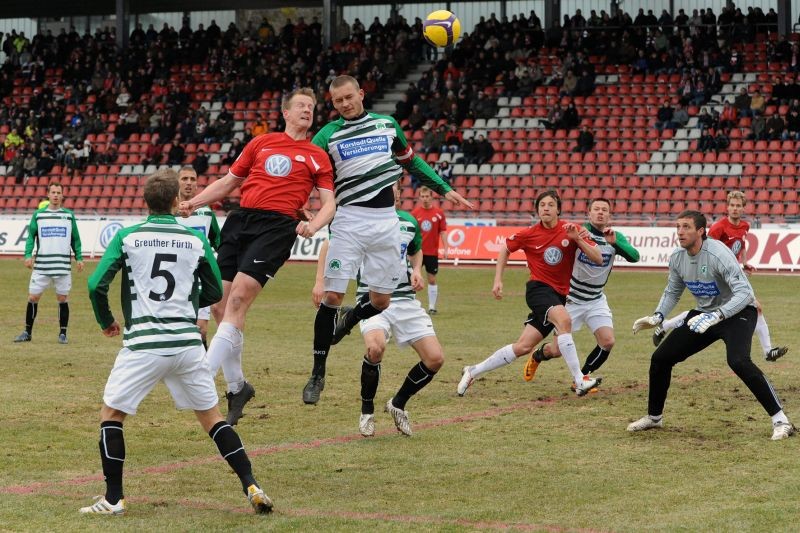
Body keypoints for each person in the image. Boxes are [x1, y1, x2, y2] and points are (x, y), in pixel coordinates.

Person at [82, 169, 272, 516]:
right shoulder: (195, 241)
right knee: (213, 419)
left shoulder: (127, 237)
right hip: (187, 343)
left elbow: (96, 284)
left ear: (145, 201)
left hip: (144, 343)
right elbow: (215, 290)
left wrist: (107, 321)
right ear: (175, 201)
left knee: (112, 414)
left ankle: (113, 499)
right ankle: (251, 484)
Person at [304, 75, 472, 405]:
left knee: (381, 301)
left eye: (349, 97)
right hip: (348, 221)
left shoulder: (387, 125)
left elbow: (412, 163)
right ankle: (317, 373)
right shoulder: (327, 135)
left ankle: (351, 318)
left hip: (385, 224)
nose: (345, 104)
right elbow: (308, 172)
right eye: (338, 101)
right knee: (332, 295)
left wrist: (444, 189)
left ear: (361, 94)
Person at [177, 87, 336, 425]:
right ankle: (238, 387)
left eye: (312, 107)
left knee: (237, 303)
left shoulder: (317, 155)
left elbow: (329, 202)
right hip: (241, 220)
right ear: (286, 113)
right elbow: (227, 182)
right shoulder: (260, 144)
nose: (308, 110)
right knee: (219, 303)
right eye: (301, 106)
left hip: (278, 227)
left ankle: (201, 377)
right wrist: (193, 202)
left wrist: (315, 225)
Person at [629, 210, 794, 441]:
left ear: (700, 231)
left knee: (738, 361)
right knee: (660, 359)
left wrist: (719, 314)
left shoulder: (718, 254)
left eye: (686, 227)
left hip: (738, 312)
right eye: (678, 227)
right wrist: (658, 316)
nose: (680, 232)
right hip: (705, 314)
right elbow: (673, 291)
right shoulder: (678, 257)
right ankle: (654, 417)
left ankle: (781, 421)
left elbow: (745, 293)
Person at [312, 183, 443, 437]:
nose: (388, 191)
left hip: (405, 300)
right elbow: (329, 245)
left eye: (392, 187)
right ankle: (367, 411)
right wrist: (320, 281)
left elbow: (416, 251)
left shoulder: (408, 222)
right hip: (371, 299)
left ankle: (398, 403)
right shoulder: (362, 219)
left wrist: (416, 270)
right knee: (375, 348)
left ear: (398, 193)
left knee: (435, 359)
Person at [457, 190, 602, 397]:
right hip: (538, 290)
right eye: (542, 205)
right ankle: (579, 380)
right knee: (565, 321)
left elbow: (598, 258)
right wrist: (498, 279)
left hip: (558, 296)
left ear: (558, 209)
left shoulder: (572, 229)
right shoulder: (529, 234)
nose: (546, 208)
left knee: (523, 346)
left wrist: (577, 239)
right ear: (537, 210)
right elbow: (505, 248)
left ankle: (473, 370)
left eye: (551, 204)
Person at [653, 192, 788, 361]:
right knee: (712, 309)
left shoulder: (745, 225)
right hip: (713, 274)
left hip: (729, 273)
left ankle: (768, 351)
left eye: (738, 206)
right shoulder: (719, 227)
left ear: (743, 208)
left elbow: (741, 245)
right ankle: (768, 351)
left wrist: (744, 263)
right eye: (732, 205)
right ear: (727, 207)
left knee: (749, 307)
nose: (734, 209)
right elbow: (706, 246)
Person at [523, 198, 640, 389]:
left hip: (595, 300)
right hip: (571, 300)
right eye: (596, 209)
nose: (600, 212)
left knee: (608, 341)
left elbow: (634, 257)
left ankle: (583, 378)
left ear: (610, 215)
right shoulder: (576, 231)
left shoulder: (615, 236)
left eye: (604, 210)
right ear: (589, 213)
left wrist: (616, 244)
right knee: (556, 350)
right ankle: (538, 355)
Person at [14, 182, 84, 344]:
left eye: (58, 192)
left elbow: (76, 239)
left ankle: (63, 334)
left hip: (62, 266)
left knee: (62, 298)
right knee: (33, 297)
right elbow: (31, 236)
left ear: (62, 195)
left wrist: (79, 257)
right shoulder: (38, 215)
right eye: (53, 192)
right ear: (48, 194)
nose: (55, 195)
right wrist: (27, 255)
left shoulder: (68, 215)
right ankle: (27, 332)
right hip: (42, 266)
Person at [176, 166, 221, 347]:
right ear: (177, 182)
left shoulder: (206, 212)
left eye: (192, 179)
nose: (188, 183)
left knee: (200, 329)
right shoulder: (169, 211)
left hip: (199, 277)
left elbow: (217, 240)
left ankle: (202, 372)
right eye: (184, 179)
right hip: (175, 276)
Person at [410, 186, 448, 314]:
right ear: (419, 197)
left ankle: (432, 307)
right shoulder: (415, 214)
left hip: (432, 252)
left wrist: (446, 248)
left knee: (432, 279)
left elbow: (443, 232)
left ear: (431, 197)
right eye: (422, 196)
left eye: (427, 196)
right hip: (417, 252)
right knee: (413, 279)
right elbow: (412, 233)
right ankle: (411, 306)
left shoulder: (439, 213)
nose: (425, 199)